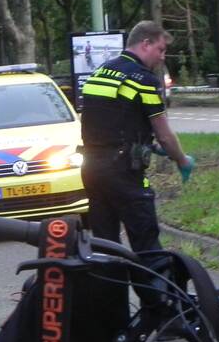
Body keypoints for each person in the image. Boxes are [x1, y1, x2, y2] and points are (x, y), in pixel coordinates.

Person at [79, 20, 194, 253]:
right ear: (145, 44)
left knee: (106, 247)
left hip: (92, 169)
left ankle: (110, 289)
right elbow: (165, 135)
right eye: (160, 50)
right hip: (124, 172)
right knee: (147, 244)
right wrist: (182, 160)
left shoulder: (100, 73)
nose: (162, 57)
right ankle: (156, 289)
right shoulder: (143, 79)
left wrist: (145, 144)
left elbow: (107, 123)